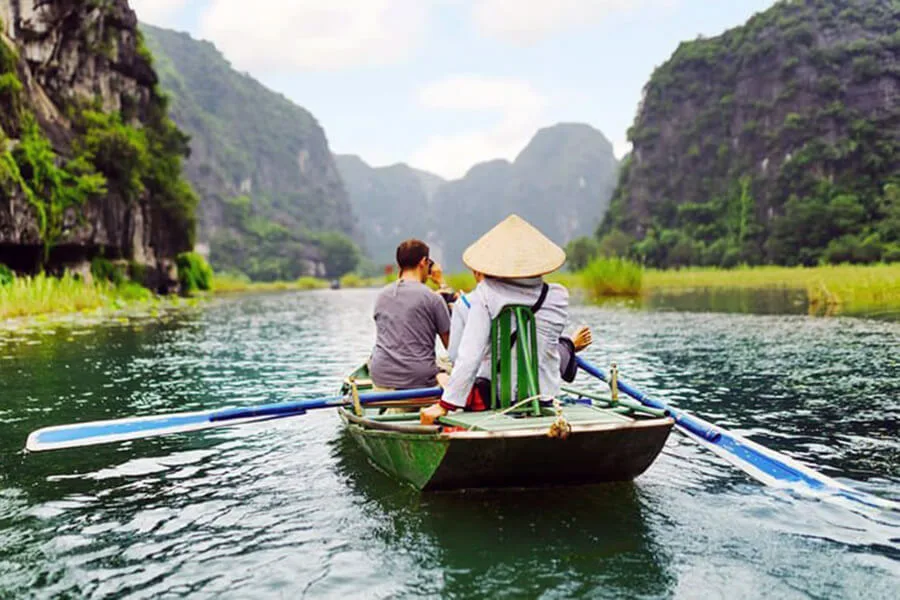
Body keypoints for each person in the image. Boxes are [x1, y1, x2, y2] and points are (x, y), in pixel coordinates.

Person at [421, 215, 571, 424]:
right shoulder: (559, 296)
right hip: (547, 398)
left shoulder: (485, 295)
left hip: (499, 399)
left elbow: (468, 356)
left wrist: (445, 405)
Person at [369, 239, 451, 390]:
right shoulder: (433, 298)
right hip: (418, 380)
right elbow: (451, 348)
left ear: (399, 265)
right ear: (424, 262)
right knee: (449, 366)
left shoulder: (382, 296)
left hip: (380, 377)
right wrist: (442, 283)